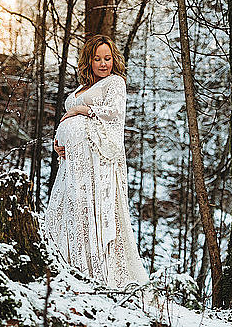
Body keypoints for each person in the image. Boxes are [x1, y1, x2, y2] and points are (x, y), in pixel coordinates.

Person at [42, 34, 151, 292]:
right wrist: (60, 141)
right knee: (72, 206)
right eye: (97, 59)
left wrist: (83, 111)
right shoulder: (80, 89)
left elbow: (114, 113)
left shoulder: (115, 83)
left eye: (108, 58)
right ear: (88, 61)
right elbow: (67, 122)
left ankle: (96, 269)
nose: (103, 64)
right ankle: (67, 264)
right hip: (73, 163)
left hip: (98, 161)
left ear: (114, 59)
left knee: (93, 209)